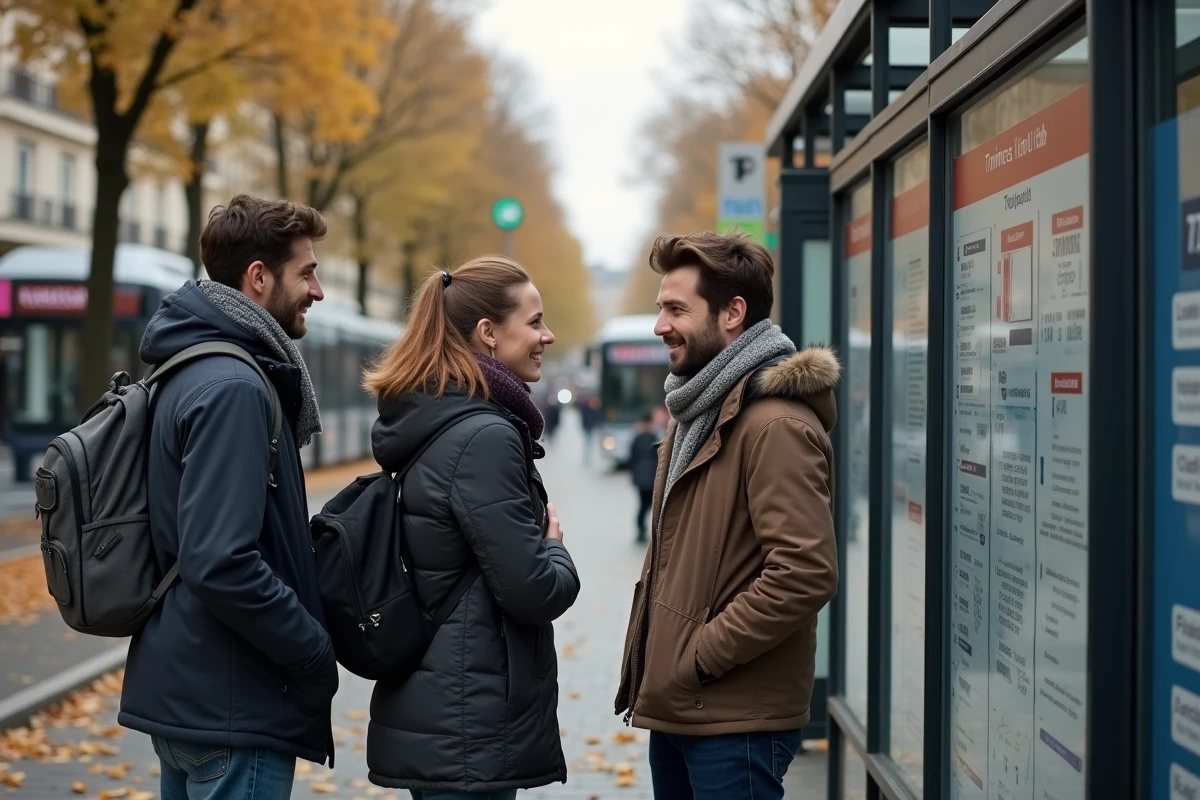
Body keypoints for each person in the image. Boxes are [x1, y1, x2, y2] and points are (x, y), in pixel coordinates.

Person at [120, 195, 337, 800]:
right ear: (259, 277)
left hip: (196, 686)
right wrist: (311, 650)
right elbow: (220, 559)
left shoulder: (188, 364)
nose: (317, 291)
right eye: (307, 273)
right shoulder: (235, 386)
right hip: (236, 700)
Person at [614, 231, 839, 799]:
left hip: (734, 720)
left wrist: (700, 657)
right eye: (660, 308)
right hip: (686, 707)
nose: (660, 325)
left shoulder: (774, 424)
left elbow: (805, 572)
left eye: (676, 309)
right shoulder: (702, 410)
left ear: (733, 313)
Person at [363, 256, 581, 800]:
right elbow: (533, 590)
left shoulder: (439, 417)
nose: (548, 336)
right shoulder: (485, 436)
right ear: (488, 333)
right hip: (469, 721)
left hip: (442, 710)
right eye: (534, 322)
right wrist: (556, 551)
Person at [628, 411, 658, 543]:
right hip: (649, 478)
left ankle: (641, 529)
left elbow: (631, 460)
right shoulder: (653, 438)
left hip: (645, 478)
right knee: (646, 505)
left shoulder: (638, 438)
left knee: (644, 505)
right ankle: (642, 529)